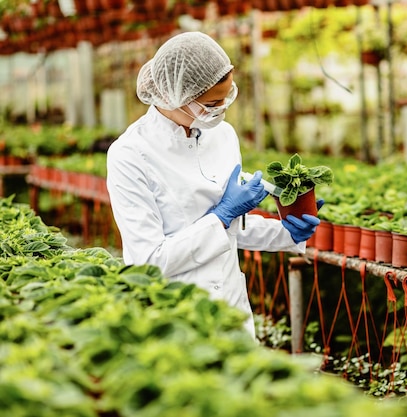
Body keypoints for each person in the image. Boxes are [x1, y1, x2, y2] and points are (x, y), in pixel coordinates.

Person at [106, 31, 321, 338]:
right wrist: (220, 215)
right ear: (173, 96)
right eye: (212, 102)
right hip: (176, 314)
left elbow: (233, 230)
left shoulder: (223, 135)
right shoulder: (130, 154)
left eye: (226, 96)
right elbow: (149, 262)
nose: (222, 109)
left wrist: (286, 231)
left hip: (231, 308)